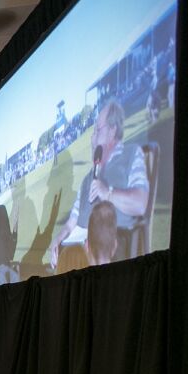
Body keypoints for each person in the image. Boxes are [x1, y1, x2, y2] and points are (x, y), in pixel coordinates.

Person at [48, 99, 149, 268]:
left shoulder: (131, 155)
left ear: (112, 130)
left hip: (108, 249)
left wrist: (108, 193)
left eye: (97, 130)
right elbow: (71, 223)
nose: (92, 137)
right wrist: (58, 239)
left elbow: (140, 203)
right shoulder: (88, 178)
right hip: (80, 251)